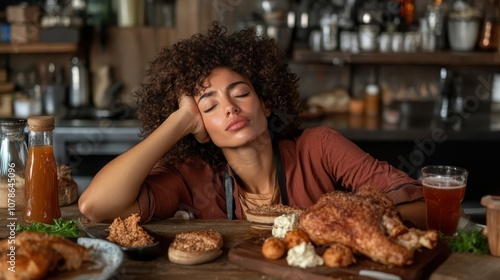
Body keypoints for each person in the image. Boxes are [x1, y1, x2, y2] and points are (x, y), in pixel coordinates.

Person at [78, 21, 426, 228]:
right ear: (201, 128)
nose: (229, 108)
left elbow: (426, 208)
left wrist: (344, 221)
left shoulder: (320, 147)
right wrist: (179, 120)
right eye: (210, 106)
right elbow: (95, 206)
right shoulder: (191, 176)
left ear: (267, 102)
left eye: (240, 93)